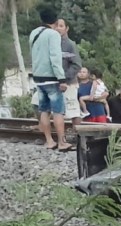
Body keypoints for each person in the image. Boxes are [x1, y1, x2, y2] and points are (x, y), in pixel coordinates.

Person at [29, 7, 70, 151]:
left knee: (44, 110)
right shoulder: (53, 34)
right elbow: (55, 58)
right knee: (58, 111)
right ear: (55, 20)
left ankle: (49, 141)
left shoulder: (34, 33)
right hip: (52, 78)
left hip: (38, 78)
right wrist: (62, 79)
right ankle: (62, 142)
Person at [54, 18, 83, 137]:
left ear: (66, 28)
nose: (58, 28)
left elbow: (77, 65)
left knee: (73, 112)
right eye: (56, 26)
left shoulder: (70, 44)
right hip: (54, 84)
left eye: (61, 26)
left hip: (69, 83)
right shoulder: (53, 43)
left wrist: (64, 78)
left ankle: (78, 136)